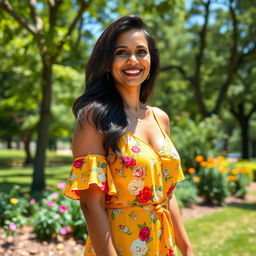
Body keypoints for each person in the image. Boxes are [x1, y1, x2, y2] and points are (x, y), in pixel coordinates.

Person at [64, 15, 194, 256]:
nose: (132, 60)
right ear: (107, 61)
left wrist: (186, 248)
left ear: (151, 60)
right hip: (119, 246)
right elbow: (91, 205)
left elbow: (167, 195)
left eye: (141, 52)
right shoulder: (93, 118)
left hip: (161, 245)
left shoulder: (160, 118)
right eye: (121, 52)